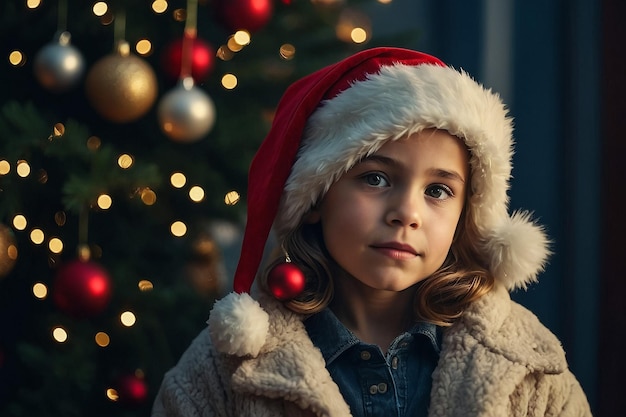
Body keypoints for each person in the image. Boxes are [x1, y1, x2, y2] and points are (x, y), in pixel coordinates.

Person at [152, 47, 592, 417]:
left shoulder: (529, 368)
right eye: (376, 179)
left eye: (438, 190)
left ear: (467, 215)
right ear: (316, 198)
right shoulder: (222, 371)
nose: (406, 213)